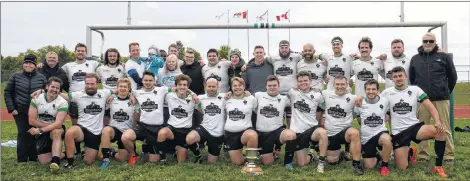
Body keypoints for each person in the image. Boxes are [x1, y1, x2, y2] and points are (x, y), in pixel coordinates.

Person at [381, 66, 448, 178]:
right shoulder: (387, 92)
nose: (398, 79)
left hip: (414, 128)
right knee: (402, 168)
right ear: (392, 79)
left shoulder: (415, 90)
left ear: (405, 76)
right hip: (398, 132)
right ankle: (411, 152)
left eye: (400, 76)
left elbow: (431, 107)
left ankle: (438, 166)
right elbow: (376, 106)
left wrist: (437, 121)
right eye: (395, 77)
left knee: (440, 131)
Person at [409, 32, 457, 164]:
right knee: (422, 127)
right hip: (423, 100)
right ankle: (423, 156)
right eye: (425, 41)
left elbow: (452, 77)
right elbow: (413, 80)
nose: (428, 43)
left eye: (431, 41)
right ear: (422, 42)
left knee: (444, 127)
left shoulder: (444, 57)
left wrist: (445, 91)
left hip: (441, 98)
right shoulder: (415, 59)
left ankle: (448, 156)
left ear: (435, 42)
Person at [61, 73, 115, 168]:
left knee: (88, 161)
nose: (90, 86)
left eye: (92, 84)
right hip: (82, 129)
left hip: (95, 132)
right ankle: (70, 162)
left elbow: (121, 90)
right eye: (87, 84)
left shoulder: (104, 93)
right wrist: (45, 90)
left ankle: (85, 152)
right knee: (70, 133)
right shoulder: (78, 95)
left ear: (97, 84)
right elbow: (63, 95)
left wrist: (113, 95)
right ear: (85, 83)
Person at [120, 70, 173, 165]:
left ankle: (152, 147)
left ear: (154, 81)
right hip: (143, 126)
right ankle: (133, 154)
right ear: (142, 81)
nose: (148, 82)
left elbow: (177, 89)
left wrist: (193, 94)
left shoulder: (162, 90)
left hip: (156, 127)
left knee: (153, 160)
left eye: (150, 80)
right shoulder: (137, 92)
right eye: (146, 80)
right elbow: (124, 91)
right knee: (125, 137)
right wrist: (130, 95)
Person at [4, 54, 47, 162]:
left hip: (36, 110)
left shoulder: (41, 77)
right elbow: (7, 92)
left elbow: (47, 91)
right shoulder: (15, 76)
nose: (28, 65)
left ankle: (33, 157)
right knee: (23, 133)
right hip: (20, 110)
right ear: (23, 64)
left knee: (34, 133)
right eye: (26, 63)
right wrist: (11, 108)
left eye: (31, 63)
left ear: (35, 65)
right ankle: (22, 158)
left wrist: (42, 91)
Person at [61, 43, 101, 156]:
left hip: (91, 98)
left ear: (86, 52)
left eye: (83, 51)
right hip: (75, 99)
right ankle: (78, 150)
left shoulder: (93, 63)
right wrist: (42, 65)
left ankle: (89, 147)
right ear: (75, 52)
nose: (80, 52)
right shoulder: (68, 66)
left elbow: (106, 67)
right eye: (78, 50)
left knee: (91, 123)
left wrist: (121, 64)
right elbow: (54, 71)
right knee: (76, 124)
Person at [283, 72, 328, 173]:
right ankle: (311, 154)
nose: (303, 83)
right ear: (297, 82)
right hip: (297, 131)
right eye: (300, 81)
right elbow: (281, 101)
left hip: (311, 129)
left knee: (323, 132)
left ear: (310, 81)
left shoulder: (317, 94)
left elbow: (325, 107)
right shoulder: (293, 92)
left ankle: (321, 163)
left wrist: (323, 119)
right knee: (302, 164)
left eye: (305, 81)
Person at [322, 75, 364, 175]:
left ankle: (356, 164)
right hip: (330, 133)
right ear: (333, 85)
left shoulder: (353, 98)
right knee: (332, 162)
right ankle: (340, 154)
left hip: (344, 132)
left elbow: (368, 99)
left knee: (354, 133)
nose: (340, 86)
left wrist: (361, 97)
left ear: (347, 85)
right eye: (337, 84)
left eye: (342, 84)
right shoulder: (325, 94)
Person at [254, 75, 296, 166]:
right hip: (262, 133)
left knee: (291, 134)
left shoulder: (284, 99)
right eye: (269, 85)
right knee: (267, 163)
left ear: (278, 85)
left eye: (274, 85)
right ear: (266, 86)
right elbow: (245, 97)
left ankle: (288, 162)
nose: (272, 88)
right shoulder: (258, 95)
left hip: (277, 132)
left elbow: (298, 101)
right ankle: (268, 151)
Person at [157, 74, 200, 163]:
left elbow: (200, 109)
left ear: (188, 87)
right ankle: (163, 159)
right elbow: (157, 90)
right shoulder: (169, 96)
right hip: (172, 128)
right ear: (176, 85)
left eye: (184, 85)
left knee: (181, 162)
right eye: (179, 84)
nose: (182, 87)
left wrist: (193, 95)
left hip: (185, 131)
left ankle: (196, 154)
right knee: (162, 132)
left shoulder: (193, 98)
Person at [27, 77, 68, 170]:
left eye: (57, 88)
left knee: (56, 131)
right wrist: (48, 127)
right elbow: (32, 121)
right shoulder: (36, 99)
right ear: (46, 87)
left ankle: (55, 161)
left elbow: (58, 124)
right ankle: (65, 154)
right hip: (45, 128)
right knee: (44, 161)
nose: (54, 90)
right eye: (52, 87)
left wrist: (40, 129)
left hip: (53, 129)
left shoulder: (63, 102)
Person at [355, 79, 392, 176]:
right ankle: (377, 155)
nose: (371, 92)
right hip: (366, 138)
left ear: (378, 90)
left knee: (387, 139)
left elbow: (392, 109)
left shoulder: (384, 101)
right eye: (368, 89)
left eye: (373, 89)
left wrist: (387, 114)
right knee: (369, 166)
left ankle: (384, 166)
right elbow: (357, 117)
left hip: (380, 133)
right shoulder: (359, 102)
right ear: (365, 90)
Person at [99, 78, 139, 169]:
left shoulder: (134, 101)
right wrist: (113, 94)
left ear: (129, 89)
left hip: (126, 131)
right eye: (121, 86)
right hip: (114, 129)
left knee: (122, 158)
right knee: (106, 130)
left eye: (125, 87)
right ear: (117, 88)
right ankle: (106, 158)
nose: (123, 88)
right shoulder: (111, 99)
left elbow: (136, 117)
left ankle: (113, 152)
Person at [186, 78, 226, 163]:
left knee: (211, 162)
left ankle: (212, 150)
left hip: (218, 133)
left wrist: (247, 93)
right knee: (190, 138)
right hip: (205, 128)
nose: (211, 88)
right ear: (205, 86)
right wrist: (191, 93)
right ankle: (198, 155)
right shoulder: (201, 98)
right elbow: (197, 106)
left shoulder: (225, 97)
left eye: (213, 86)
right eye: (209, 86)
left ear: (218, 87)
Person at [224, 77, 258, 165]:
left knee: (252, 135)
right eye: (234, 85)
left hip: (245, 131)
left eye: (240, 85)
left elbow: (258, 111)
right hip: (230, 134)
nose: (237, 87)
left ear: (244, 86)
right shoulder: (226, 99)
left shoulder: (251, 99)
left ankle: (251, 162)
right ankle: (242, 156)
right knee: (237, 163)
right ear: (231, 87)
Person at [96, 48, 127, 126]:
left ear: (117, 57)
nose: (112, 58)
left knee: (119, 121)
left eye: (114, 56)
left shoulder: (123, 68)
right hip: (106, 98)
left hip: (119, 97)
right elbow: (95, 81)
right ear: (107, 57)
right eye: (110, 56)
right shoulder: (100, 69)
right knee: (105, 122)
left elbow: (126, 83)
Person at [157, 54, 183, 124]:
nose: (171, 63)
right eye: (169, 61)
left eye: (173, 61)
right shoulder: (160, 72)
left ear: (176, 62)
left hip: (174, 103)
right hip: (163, 103)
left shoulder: (180, 74)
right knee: (163, 122)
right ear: (166, 62)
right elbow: (157, 86)